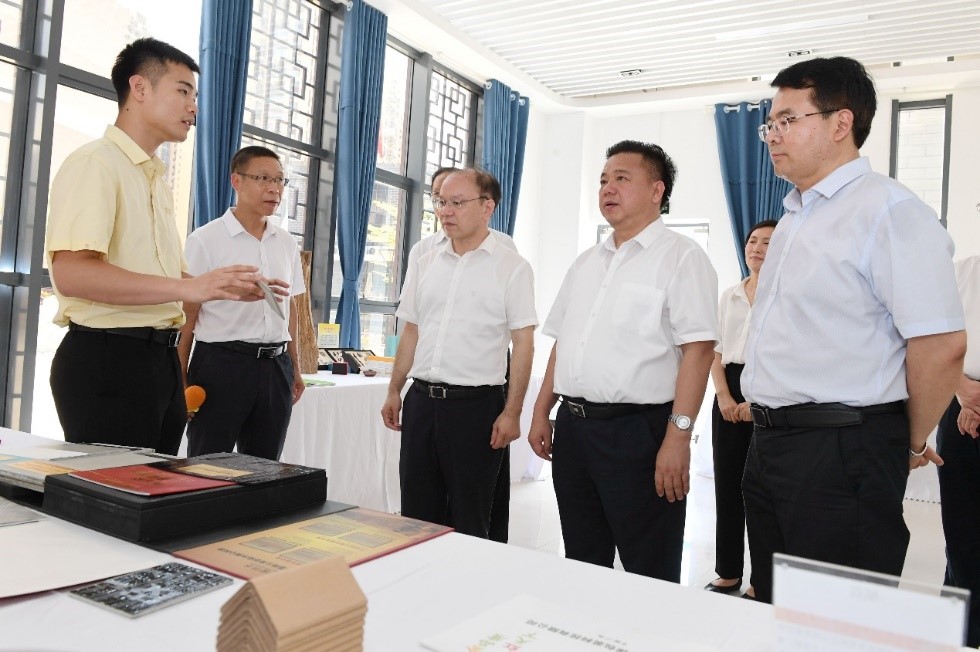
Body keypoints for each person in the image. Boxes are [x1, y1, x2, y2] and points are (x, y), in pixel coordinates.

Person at [741, 56, 966, 604]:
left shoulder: (889, 211)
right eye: (770, 125)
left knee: (837, 620)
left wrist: (907, 441)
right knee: (776, 609)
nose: (773, 136)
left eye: (788, 120)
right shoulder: (794, 218)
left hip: (842, 448)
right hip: (770, 444)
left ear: (841, 122)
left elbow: (940, 344)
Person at [46, 38, 276, 455]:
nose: (193, 107)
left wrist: (217, 285)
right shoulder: (96, 163)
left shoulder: (153, 176)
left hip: (159, 360)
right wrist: (189, 287)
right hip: (110, 358)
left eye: (195, 96)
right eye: (183, 91)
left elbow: (158, 275)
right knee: (118, 490)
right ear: (140, 88)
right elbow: (72, 273)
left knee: (157, 489)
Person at [528, 140, 717, 582]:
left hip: (639, 433)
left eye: (621, 179)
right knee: (583, 556)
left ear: (656, 190)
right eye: (603, 180)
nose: (607, 189)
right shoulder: (586, 263)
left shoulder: (682, 257)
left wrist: (678, 438)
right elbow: (564, 343)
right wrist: (540, 411)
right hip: (574, 430)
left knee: (648, 566)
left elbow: (699, 350)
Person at [381, 168, 537, 539]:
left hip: (475, 408)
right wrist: (394, 389)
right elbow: (411, 331)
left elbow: (524, 343)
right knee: (416, 515)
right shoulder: (426, 261)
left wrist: (512, 411)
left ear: (487, 207)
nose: (445, 211)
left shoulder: (511, 267)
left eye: (457, 202)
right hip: (421, 402)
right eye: (441, 202)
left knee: (471, 516)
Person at [177, 146, 305, 460]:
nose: (274, 188)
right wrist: (179, 377)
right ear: (237, 181)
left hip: (276, 366)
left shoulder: (287, 243)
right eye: (264, 178)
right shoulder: (204, 240)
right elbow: (187, 315)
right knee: (207, 466)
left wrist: (295, 368)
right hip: (221, 365)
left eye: (280, 180)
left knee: (264, 468)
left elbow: (290, 310)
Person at [705, 219, 777, 598]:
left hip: (770, 392)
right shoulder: (730, 295)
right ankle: (728, 571)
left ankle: (762, 580)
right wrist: (723, 396)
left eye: (767, 242)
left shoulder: (785, 296)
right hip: (728, 390)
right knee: (727, 485)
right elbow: (715, 351)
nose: (757, 248)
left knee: (763, 492)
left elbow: (786, 355)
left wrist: (758, 400)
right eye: (752, 241)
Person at [936, 254, 980, 647]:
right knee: (961, 525)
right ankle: (962, 631)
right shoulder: (961, 270)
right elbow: (935, 340)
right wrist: (963, 392)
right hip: (960, 401)